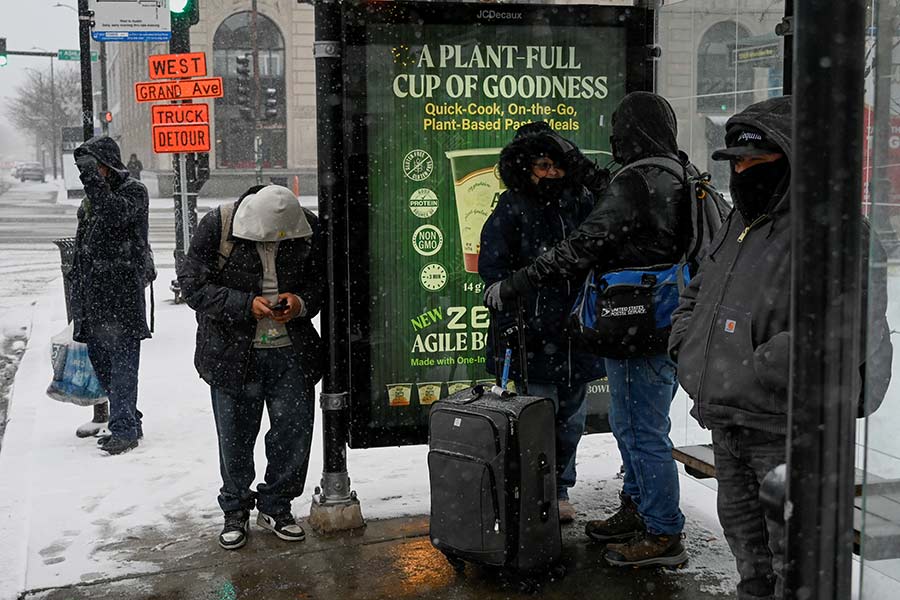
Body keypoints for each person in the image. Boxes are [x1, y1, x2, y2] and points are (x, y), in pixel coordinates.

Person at [669, 95, 892, 600]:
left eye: (755, 161)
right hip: (729, 424)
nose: (742, 172)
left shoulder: (833, 231)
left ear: (792, 161)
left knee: (796, 567)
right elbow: (698, 291)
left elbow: (848, 329)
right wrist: (686, 342)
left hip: (785, 430)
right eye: (736, 162)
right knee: (751, 562)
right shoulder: (740, 223)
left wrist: (761, 365)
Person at [484, 92, 693, 567]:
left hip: (637, 324)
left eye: (619, 126)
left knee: (641, 432)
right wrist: (578, 165)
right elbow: (613, 195)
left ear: (632, 131)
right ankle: (639, 509)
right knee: (631, 425)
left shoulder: (642, 179)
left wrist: (520, 281)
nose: (614, 137)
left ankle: (661, 531)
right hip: (643, 321)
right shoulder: (670, 170)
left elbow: (583, 244)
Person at [178, 184, 324, 551]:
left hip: (292, 352)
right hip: (232, 353)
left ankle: (277, 505)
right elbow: (193, 285)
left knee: (293, 433)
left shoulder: (307, 228)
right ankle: (235, 508)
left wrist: (301, 302)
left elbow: (324, 281)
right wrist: (245, 305)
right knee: (235, 438)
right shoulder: (219, 225)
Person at [479, 122, 607, 524]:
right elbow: (492, 268)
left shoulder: (583, 201)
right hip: (533, 334)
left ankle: (561, 488)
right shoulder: (511, 207)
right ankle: (539, 490)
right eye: (542, 165)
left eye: (557, 165)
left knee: (571, 420)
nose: (551, 174)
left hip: (578, 333)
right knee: (538, 417)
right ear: (525, 167)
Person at [70, 136, 150, 455]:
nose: (91, 173)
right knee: (101, 363)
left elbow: (113, 215)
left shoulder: (133, 191)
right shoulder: (92, 197)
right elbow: (84, 242)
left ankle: (125, 428)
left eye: (96, 166)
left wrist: (92, 180)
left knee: (122, 365)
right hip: (93, 295)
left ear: (108, 165)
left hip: (122, 293)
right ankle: (129, 417)